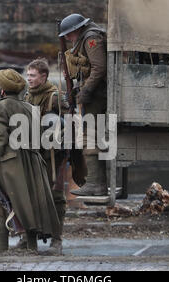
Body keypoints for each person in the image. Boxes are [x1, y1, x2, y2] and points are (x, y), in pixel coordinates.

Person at [0, 69, 60, 253]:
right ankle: (32, 248)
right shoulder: (30, 108)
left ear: (2, 89)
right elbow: (40, 138)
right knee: (29, 205)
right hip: (33, 163)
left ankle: (2, 250)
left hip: (10, 165)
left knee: (1, 206)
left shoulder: (0, 107)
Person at [15, 58, 69, 255]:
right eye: (27, 75)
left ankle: (57, 240)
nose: (28, 79)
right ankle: (29, 237)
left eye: (32, 75)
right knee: (29, 196)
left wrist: (59, 127)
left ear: (43, 76)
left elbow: (71, 120)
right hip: (32, 154)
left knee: (55, 197)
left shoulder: (55, 96)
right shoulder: (27, 96)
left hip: (52, 155)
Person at [59, 13, 108, 196]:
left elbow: (99, 67)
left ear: (76, 29)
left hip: (97, 95)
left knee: (90, 137)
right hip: (95, 93)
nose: (67, 38)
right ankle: (98, 183)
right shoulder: (87, 36)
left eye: (68, 34)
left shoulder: (90, 38)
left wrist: (86, 90)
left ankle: (96, 183)